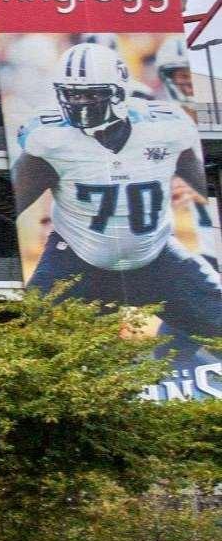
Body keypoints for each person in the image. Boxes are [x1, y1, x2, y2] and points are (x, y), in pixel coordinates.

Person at [12, 40, 222, 367]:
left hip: (158, 255)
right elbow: (17, 199)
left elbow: (203, 188)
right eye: (72, 93)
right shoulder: (48, 139)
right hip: (76, 260)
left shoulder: (166, 128)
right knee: (35, 354)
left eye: (91, 93)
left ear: (119, 91)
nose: (80, 102)